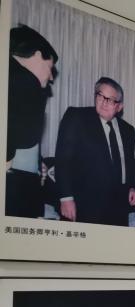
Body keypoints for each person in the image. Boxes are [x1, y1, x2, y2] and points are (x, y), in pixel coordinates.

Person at [55, 77, 135, 226]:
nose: (104, 102)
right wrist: (66, 198)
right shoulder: (76, 117)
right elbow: (62, 160)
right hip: (85, 206)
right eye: (100, 96)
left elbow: (128, 164)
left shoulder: (128, 130)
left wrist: (132, 187)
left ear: (119, 106)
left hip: (119, 207)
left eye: (110, 99)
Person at [6, 25, 58, 219]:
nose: (51, 77)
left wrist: (36, 162)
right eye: (50, 68)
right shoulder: (25, 80)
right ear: (36, 55)